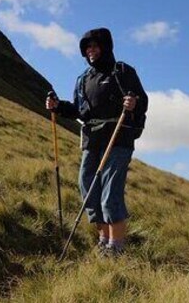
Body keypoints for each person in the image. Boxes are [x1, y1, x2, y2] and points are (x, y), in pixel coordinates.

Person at [46, 27, 148, 257]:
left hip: (118, 137)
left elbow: (141, 100)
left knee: (110, 192)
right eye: (87, 48)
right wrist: (58, 107)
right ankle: (103, 238)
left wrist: (133, 103)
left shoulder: (122, 71)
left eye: (94, 46)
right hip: (92, 139)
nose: (90, 51)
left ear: (105, 46)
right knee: (87, 187)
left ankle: (116, 246)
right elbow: (79, 110)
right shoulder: (83, 79)